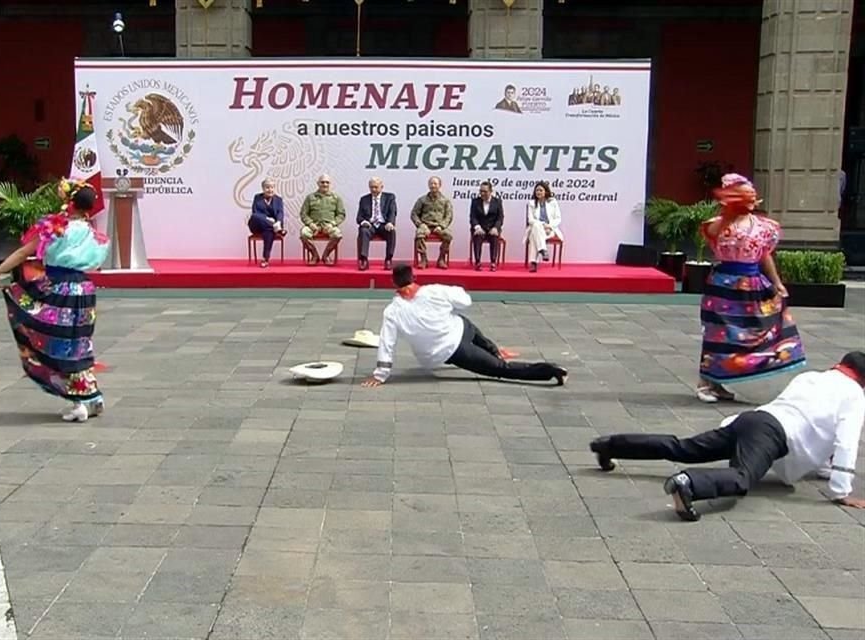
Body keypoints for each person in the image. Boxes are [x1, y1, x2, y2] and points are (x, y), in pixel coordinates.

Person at [590, 352, 865, 522]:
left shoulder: (812, 377)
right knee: (741, 478)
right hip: (771, 434)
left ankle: (610, 445)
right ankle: (688, 485)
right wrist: (841, 491)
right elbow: (846, 441)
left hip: (751, 420)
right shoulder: (854, 395)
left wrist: (826, 470)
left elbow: (815, 427)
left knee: (682, 447)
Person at [0, 179, 110, 423]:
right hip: (84, 291)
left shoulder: (55, 227)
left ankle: (79, 403)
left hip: (60, 289)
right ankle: (92, 397)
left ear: (69, 201)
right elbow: (95, 263)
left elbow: (25, 252)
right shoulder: (91, 233)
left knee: (59, 343)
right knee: (80, 342)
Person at [361, 264, 568, 387]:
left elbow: (387, 343)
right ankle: (496, 351)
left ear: (393, 283)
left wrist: (381, 375)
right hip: (460, 336)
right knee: (472, 330)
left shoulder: (393, 311)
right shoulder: (436, 291)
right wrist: (451, 302)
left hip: (454, 344)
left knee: (501, 369)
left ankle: (549, 370)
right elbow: (465, 301)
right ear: (414, 277)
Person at [696, 173, 805, 403]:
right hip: (724, 285)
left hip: (753, 284)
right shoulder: (717, 226)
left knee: (761, 326)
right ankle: (706, 382)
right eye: (745, 197)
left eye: (752, 197)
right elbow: (715, 237)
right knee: (719, 332)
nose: (751, 201)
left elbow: (765, 256)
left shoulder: (764, 227)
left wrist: (776, 282)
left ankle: (729, 376)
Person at [300, 174, 346, 266]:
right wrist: (310, 224)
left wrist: (332, 224)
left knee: (337, 234)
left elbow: (341, 214)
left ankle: (326, 255)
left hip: (329, 226)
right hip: (314, 226)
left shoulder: (336, 198)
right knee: (304, 233)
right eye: (322, 182)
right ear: (318, 183)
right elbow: (303, 214)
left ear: (330, 184)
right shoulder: (310, 197)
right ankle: (314, 255)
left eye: (327, 182)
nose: (325, 184)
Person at [410, 176, 454, 269]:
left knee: (448, 235)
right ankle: (423, 259)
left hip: (439, 226)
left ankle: (441, 259)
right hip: (425, 225)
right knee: (419, 234)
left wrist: (442, 226)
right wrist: (421, 224)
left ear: (440, 185)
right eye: (431, 184)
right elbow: (414, 214)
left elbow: (449, 216)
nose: (433, 186)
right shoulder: (422, 200)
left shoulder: (445, 201)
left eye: (435, 184)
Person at [356, 177, 397, 271]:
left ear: (382, 187)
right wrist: (363, 222)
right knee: (363, 230)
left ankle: (388, 259)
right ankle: (364, 259)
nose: (373, 190)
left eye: (376, 187)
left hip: (384, 225)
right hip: (370, 225)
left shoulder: (390, 197)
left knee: (392, 231)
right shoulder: (364, 199)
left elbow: (392, 212)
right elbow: (359, 217)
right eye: (371, 187)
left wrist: (390, 222)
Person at [524, 181, 564, 272]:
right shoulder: (531, 203)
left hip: (549, 230)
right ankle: (542, 250)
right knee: (535, 227)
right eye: (537, 190)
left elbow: (558, 218)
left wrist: (549, 226)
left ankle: (534, 263)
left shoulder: (552, 202)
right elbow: (530, 220)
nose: (538, 192)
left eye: (541, 190)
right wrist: (542, 225)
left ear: (546, 191)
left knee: (534, 235)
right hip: (537, 228)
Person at [248, 178, 285, 268]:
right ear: (263, 188)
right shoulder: (257, 197)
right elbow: (255, 212)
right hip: (257, 225)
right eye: (267, 187)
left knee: (269, 232)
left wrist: (279, 222)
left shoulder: (278, 199)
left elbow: (280, 212)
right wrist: (268, 219)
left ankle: (265, 258)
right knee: (254, 216)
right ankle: (277, 228)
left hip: (269, 228)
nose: (270, 190)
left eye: (272, 187)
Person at [469, 180, 504, 271]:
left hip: (492, 228)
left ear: (491, 191)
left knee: (494, 237)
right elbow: (473, 217)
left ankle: (493, 262)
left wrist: (496, 228)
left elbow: (500, 218)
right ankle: (477, 262)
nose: (482, 193)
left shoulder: (497, 202)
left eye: (485, 191)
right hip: (480, 228)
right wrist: (477, 227)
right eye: (481, 191)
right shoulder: (475, 202)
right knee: (478, 236)